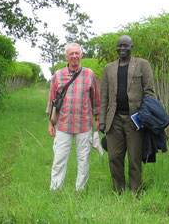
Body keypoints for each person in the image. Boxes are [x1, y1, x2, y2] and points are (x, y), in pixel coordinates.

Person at [99, 35, 155, 194]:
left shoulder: (142, 65)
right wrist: (102, 121)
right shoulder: (108, 68)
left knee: (134, 159)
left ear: (131, 48)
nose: (122, 49)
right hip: (114, 120)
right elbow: (104, 97)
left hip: (135, 120)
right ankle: (118, 191)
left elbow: (149, 93)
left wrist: (146, 117)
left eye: (125, 46)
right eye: (119, 46)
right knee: (114, 158)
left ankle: (135, 192)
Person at [46, 43, 100, 191]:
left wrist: (98, 119)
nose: (74, 56)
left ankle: (80, 190)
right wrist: (51, 123)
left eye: (77, 53)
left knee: (83, 159)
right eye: (71, 54)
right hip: (63, 124)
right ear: (66, 56)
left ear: (81, 55)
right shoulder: (58, 75)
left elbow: (96, 99)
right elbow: (52, 101)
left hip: (84, 124)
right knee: (59, 159)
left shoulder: (89, 74)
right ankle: (55, 189)